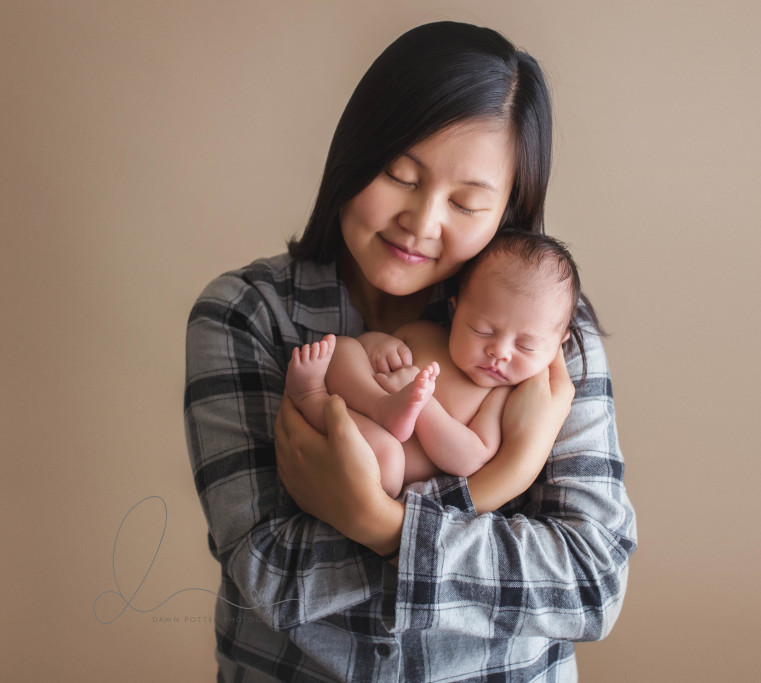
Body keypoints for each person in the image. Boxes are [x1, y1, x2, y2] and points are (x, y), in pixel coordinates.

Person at [184, 21, 636, 681]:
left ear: (509, 207)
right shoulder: (248, 315)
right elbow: (271, 573)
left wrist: (382, 522)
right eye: (401, 175)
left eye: (467, 201)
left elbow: (591, 583)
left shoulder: (547, 344)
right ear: (354, 154)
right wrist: (500, 484)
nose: (422, 224)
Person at [285, 231, 587, 498]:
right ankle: (325, 396)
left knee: (388, 461)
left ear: (559, 343)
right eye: (482, 330)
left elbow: (470, 458)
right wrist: (377, 345)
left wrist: (424, 404)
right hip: (355, 408)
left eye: (526, 345)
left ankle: (314, 400)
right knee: (344, 347)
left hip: (374, 454)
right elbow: (368, 358)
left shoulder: (500, 396)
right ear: (456, 311)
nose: (499, 352)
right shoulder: (424, 334)